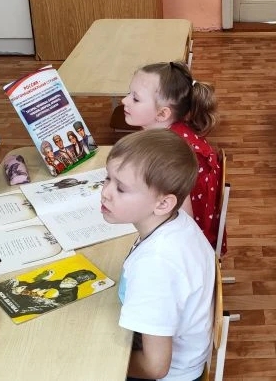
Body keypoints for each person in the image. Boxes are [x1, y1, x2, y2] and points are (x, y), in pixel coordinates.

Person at [101, 129, 214, 381]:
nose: (106, 192)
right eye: (107, 179)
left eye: (121, 188)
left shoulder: (155, 266)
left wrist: (102, 362)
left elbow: (155, 367)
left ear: (163, 204)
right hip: (186, 359)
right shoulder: (177, 221)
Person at [120, 61, 224, 253]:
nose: (124, 101)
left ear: (162, 114)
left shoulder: (170, 154)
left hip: (188, 243)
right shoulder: (169, 134)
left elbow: (183, 219)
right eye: (129, 93)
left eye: (135, 98)